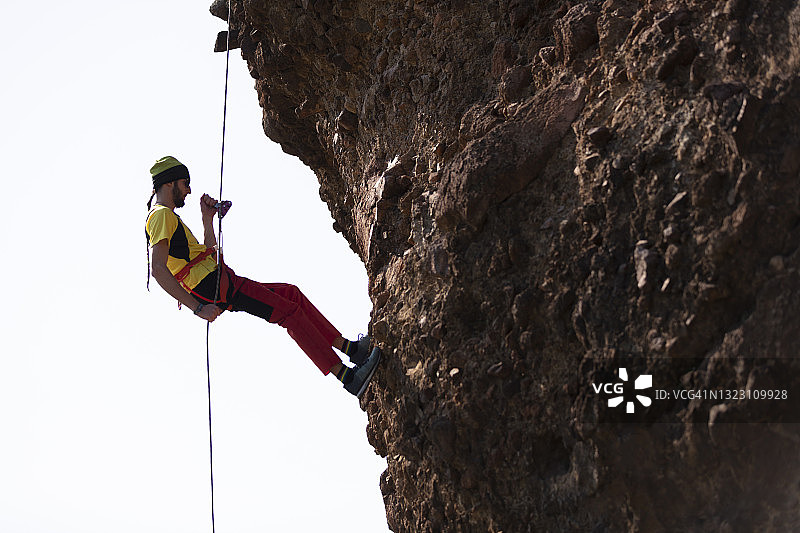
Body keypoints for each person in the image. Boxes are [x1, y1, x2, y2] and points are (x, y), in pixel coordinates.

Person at [145, 156, 380, 398]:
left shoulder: (168, 217)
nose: (189, 190)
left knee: (290, 295)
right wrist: (197, 308)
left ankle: (352, 349)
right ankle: (349, 377)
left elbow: (204, 254)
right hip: (213, 285)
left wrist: (207, 219)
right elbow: (158, 269)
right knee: (288, 312)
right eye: (185, 183)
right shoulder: (161, 215)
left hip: (217, 281)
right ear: (169, 183)